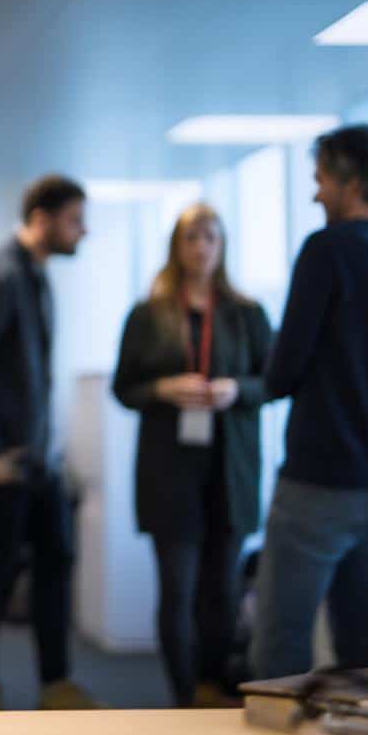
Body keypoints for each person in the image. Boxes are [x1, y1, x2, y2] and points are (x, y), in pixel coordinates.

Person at [250, 124, 368, 680]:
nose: (315, 195)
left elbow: (282, 374)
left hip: (317, 482)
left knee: (279, 652)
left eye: (320, 181)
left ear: (350, 180)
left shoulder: (326, 250)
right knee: (360, 655)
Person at [0, 173, 95, 711]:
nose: (84, 231)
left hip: (36, 458)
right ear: (41, 218)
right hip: (3, 459)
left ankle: (56, 683)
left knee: (57, 558)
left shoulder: (33, 275)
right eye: (75, 220)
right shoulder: (0, 276)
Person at [112, 203, 272, 707]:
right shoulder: (148, 314)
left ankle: (211, 684)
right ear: (176, 246)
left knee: (222, 591)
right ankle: (182, 697)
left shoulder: (247, 314)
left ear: (221, 245)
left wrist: (234, 389)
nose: (201, 246)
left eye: (210, 237)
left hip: (230, 468)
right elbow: (124, 387)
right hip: (170, 471)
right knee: (177, 588)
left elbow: (274, 380)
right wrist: (162, 387)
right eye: (191, 238)